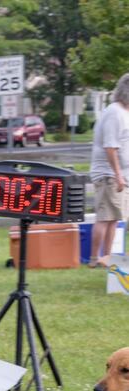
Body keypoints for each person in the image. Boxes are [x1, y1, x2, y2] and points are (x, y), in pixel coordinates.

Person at [90, 74, 129, 266]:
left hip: (118, 175)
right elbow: (110, 147)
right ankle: (94, 258)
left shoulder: (124, 112)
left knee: (114, 218)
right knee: (105, 217)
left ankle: (108, 257)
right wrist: (118, 175)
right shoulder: (115, 112)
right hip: (109, 174)